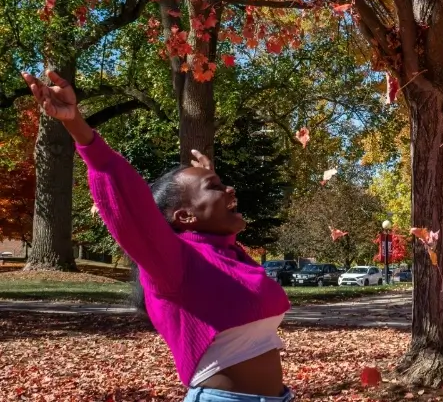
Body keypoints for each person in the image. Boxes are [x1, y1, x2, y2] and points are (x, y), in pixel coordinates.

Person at [22, 70, 293, 402]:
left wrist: (209, 179)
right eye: (216, 188)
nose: (230, 189)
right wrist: (78, 127)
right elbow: (130, 204)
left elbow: (216, 262)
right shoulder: (172, 261)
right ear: (184, 216)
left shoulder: (227, 258)